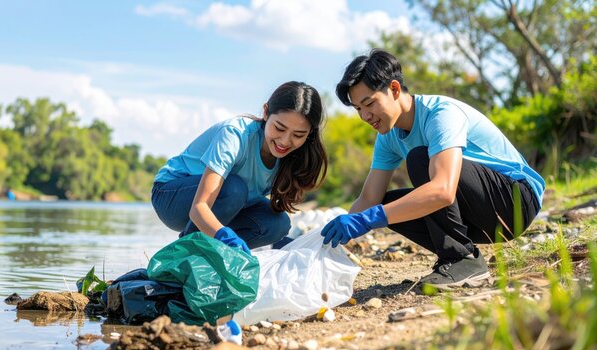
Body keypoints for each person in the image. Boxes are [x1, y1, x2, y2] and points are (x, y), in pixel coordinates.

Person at [321, 49, 544, 289]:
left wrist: (372, 218)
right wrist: (326, 243)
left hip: (516, 202)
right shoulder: (388, 136)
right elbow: (369, 198)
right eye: (357, 109)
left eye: (369, 103)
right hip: (482, 217)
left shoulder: (441, 115)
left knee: (420, 159)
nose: (365, 116)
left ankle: (461, 259)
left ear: (394, 89)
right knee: (383, 203)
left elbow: (443, 191)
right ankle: (464, 256)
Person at [152, 81, 327, 254]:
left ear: (309, 133)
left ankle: (215, 255)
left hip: (229, 203)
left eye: (298, 135)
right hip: (172, 197)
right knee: (235, 188)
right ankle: (183, 255)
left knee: (278, 223)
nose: (285, 141)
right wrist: (223, 235)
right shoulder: (235, 134)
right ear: (266, 112)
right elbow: (199, 208)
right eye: (279, 128)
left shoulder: (295, 156)